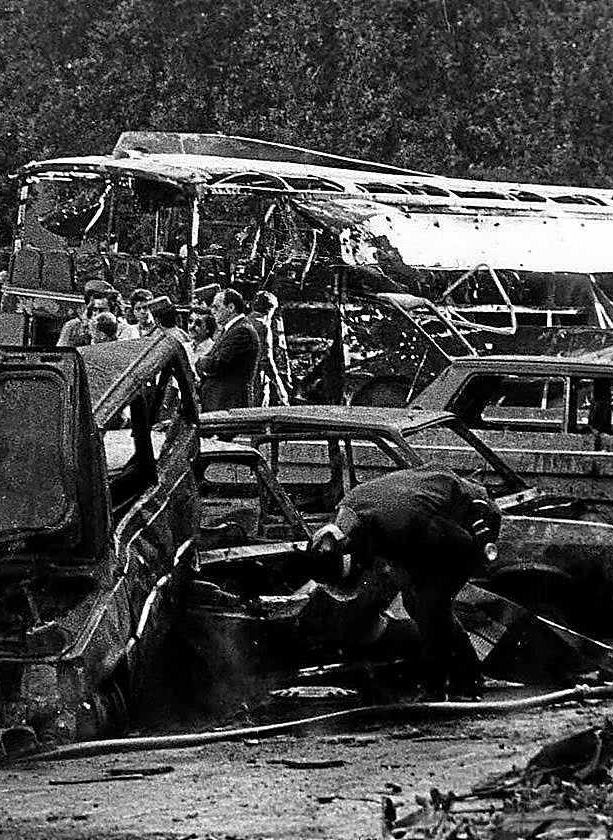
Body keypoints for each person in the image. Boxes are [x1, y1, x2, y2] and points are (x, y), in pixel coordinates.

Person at [306, 466, 497, 700]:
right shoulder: (348, 516)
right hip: (428, 520)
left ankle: (443, 686)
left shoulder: (403, 526)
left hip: (470, 522)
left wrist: (419, 578)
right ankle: (467, 673)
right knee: (415, 603)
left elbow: (460, 544)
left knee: (429, 606)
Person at [195, 289, 260, 411]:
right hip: (219, 401)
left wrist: (200, 360)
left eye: (216, 307)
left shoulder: (242, 331)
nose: (212, 311)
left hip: (228, 403)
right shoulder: (231, 330)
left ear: (231, 308)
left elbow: (217, 364)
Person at [248, 291, 290, 407]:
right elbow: (266, 360)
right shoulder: (263, 326)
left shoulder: (244, 322)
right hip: (256, 381)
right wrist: (280, 387)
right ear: (270, 310)